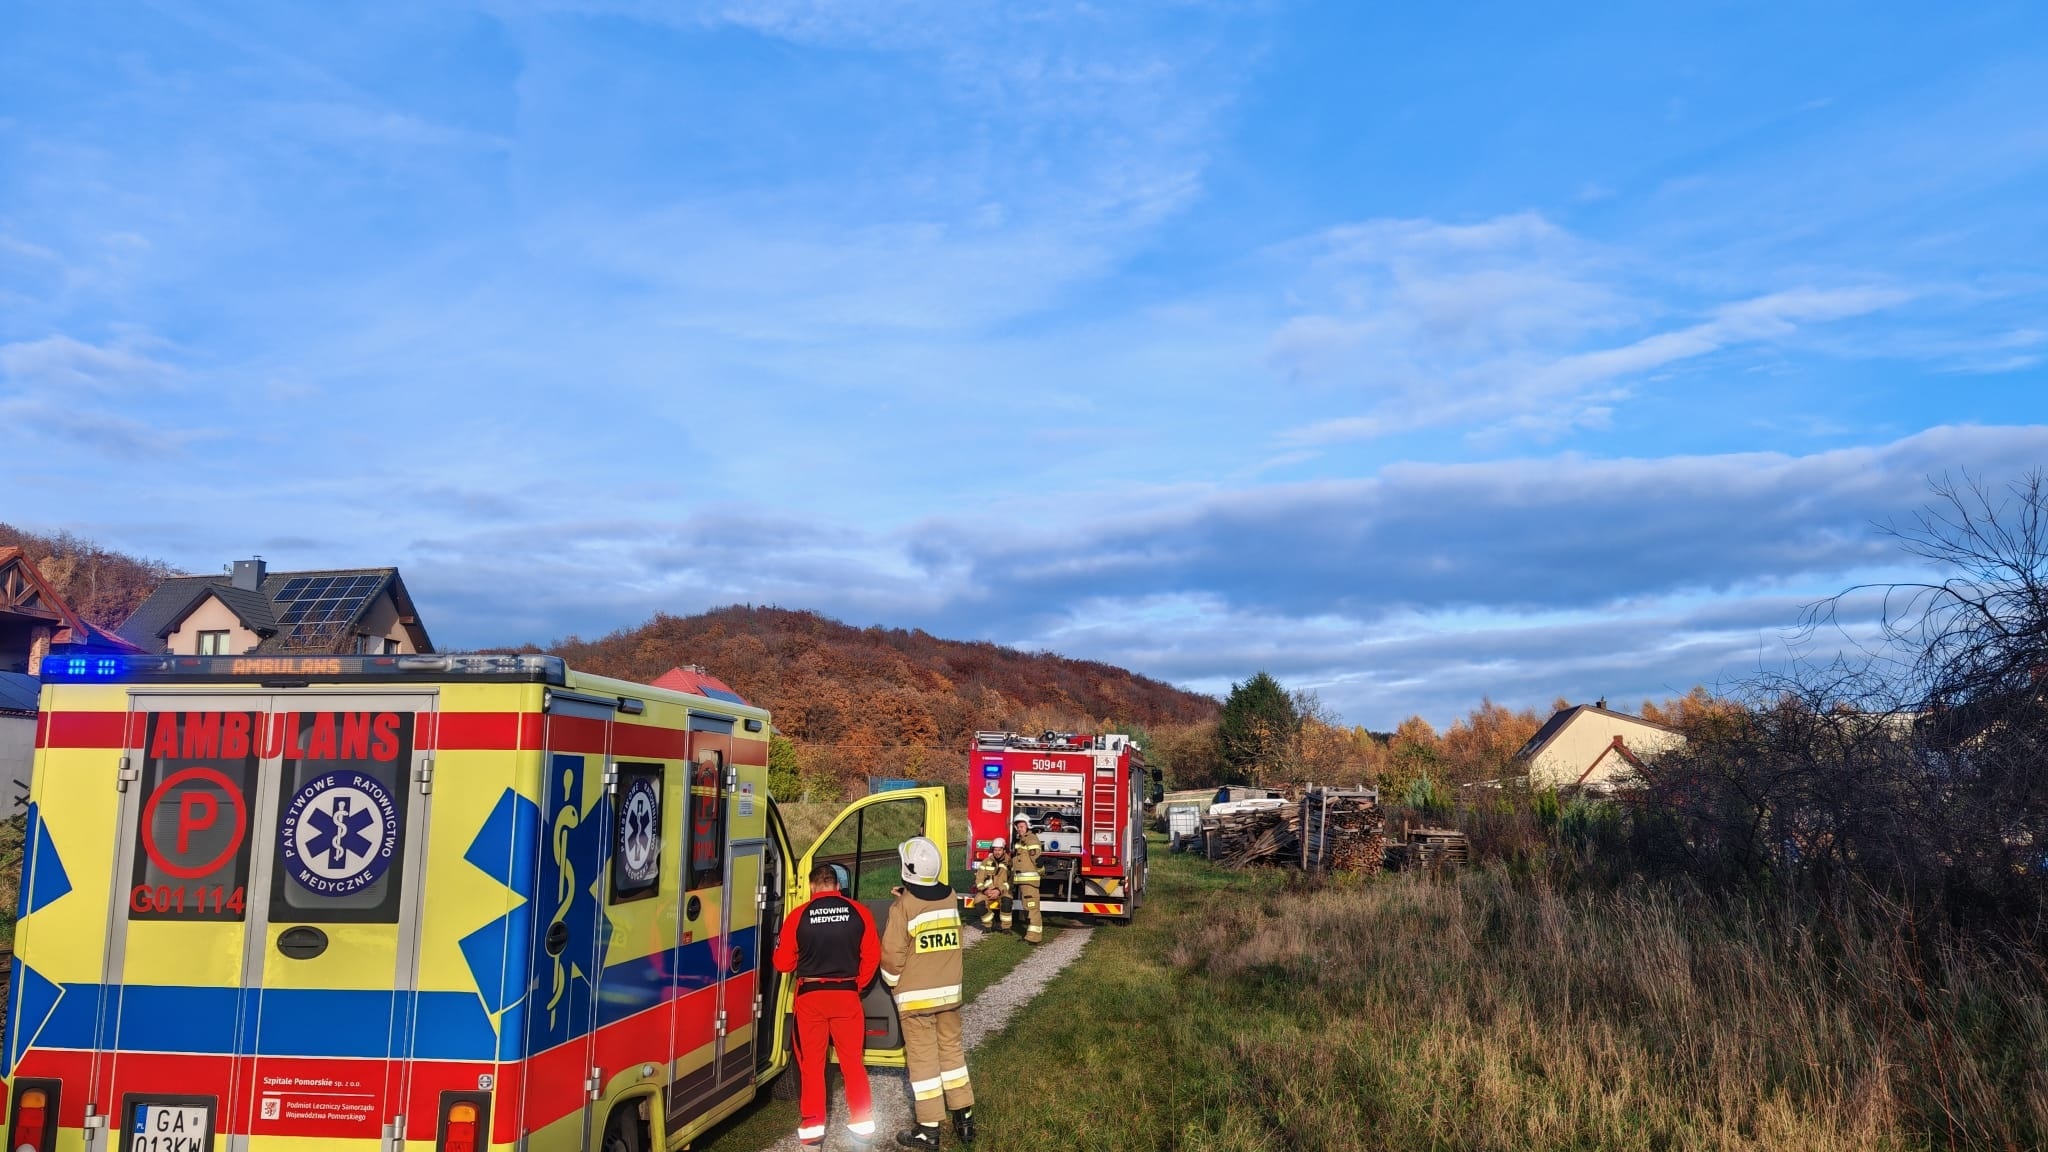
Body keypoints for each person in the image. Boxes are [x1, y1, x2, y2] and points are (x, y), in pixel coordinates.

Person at [773, 863, 881, 1149]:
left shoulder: (798, 916)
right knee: (852, 1063)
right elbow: (871, 956)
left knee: (812, 1065)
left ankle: (812, 1130)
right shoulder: (859, 912)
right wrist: (855, 985)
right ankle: (862, 1126)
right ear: (836, 885)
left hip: (810, 998)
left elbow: (782, 963)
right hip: (846, 995)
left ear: (811, 886)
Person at [879, 836, 974, 1148]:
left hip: (917, 999)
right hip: (949, 994)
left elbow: (893, 955)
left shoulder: (902, 907)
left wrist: (891, 981)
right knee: (952, 1053)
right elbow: (927, 902)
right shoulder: (948, 896)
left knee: (923, 1063)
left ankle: (928, 1129)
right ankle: (964, 1118)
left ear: (907, 869)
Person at [1008, 816, 1044, 944]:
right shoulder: (1021, 841)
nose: (1019, 829)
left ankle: (1034, 938)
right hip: (1023, 882)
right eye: (1018, 827)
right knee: (1028, 908)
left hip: (1030, 882)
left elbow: (1037, 860)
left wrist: (1040, 873)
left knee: (1031, 907)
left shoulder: (1031, 839)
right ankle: (1030, 935)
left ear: (1028, 826)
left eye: (1022, 826)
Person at [971, 838, 1009, 931]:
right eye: (995, 850)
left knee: (1007, 902)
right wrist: (985, 890)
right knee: (978, 901)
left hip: (1002, 891)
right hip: (987, 891)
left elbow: (1010, 882)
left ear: (1004, 850)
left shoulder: (1009, 863)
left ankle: (1006, 928)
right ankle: (988, 925)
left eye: (999, 850)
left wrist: (999, 890)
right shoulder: (986, 862)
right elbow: (979, 879)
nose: (997, 852)